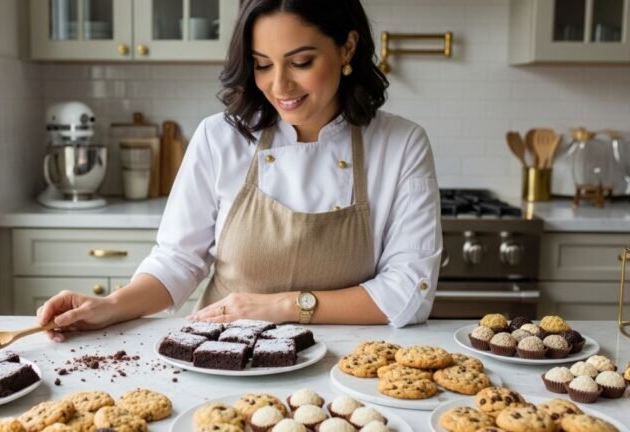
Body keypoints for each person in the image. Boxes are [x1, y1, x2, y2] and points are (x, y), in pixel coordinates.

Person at [37, 0, 442, 342]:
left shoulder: (401, 145)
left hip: (346, 364)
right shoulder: (219, 137)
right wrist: (111, 306)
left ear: (348, 47)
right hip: (223, 355)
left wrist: (283, 306)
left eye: (301, 61)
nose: (279, 85)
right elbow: (179, 261)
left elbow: (408, 292)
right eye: (262, 64)